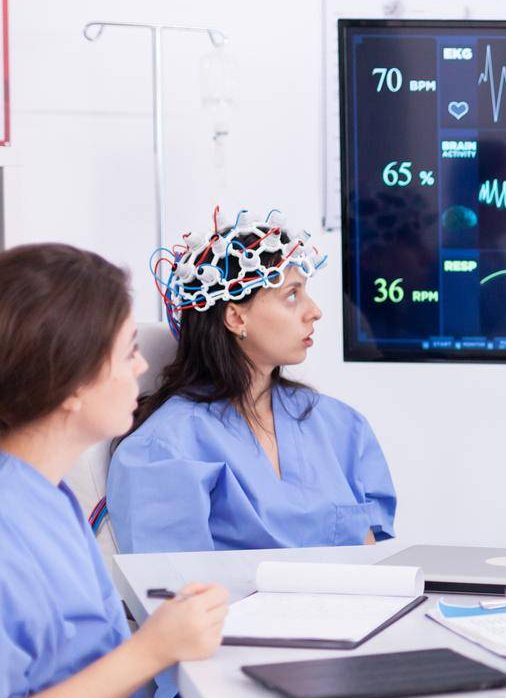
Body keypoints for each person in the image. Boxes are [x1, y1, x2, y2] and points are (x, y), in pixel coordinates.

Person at [0, 242, 332, 698]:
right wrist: (151, 651)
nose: (144, 367)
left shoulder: (49, 495)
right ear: (69, 384)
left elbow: (88, 683)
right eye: (127, 352)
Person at [108, 209, 396, 554]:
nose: (315, 310)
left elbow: (376, 557)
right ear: (235, 316)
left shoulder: (340, 427)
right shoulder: (163, 451)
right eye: (292, 295)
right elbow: (175, 594)